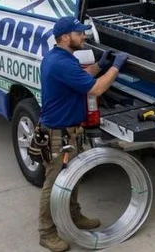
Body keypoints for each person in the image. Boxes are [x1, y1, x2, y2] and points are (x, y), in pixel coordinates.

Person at [38, 16, 128, 252]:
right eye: (80, 33)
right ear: (65, 37)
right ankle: (46, 233)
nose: (84, 36)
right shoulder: (61, 63)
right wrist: (116, 67)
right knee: (54, 182)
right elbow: (96, 88)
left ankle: (73, 215)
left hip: (68, 132)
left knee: (72, 177)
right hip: (56, 134)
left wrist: (100, 66)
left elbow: (82, 78)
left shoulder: (59, 57)